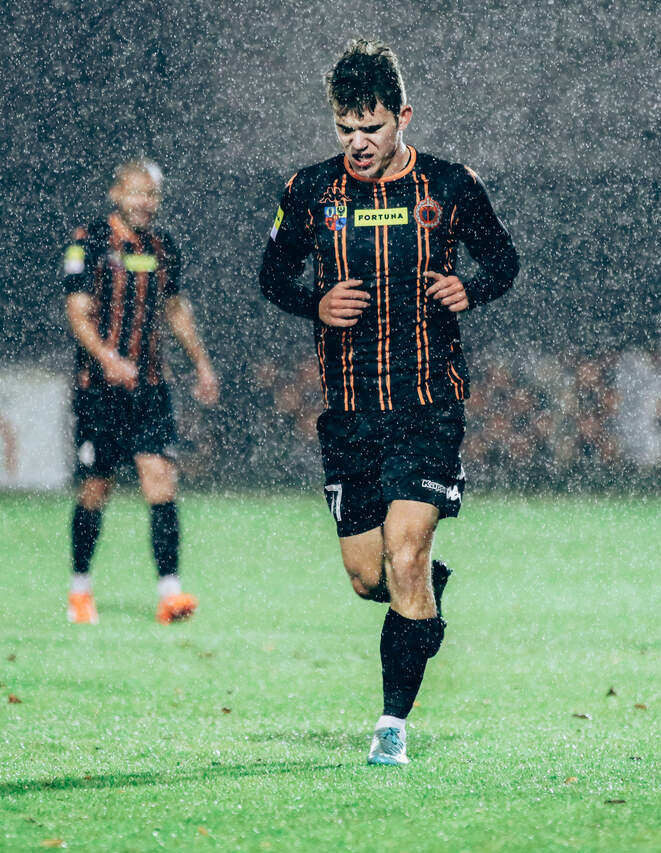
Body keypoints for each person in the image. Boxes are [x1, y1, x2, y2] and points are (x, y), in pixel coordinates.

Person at [259, 40, 519, 765]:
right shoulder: (309, 191)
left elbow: (504, 259)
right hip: (349, 413)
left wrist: (471, 287)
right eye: (345, 128)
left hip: (428, 405)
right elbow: (272, 276)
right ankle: (423, 596)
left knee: (405, 556)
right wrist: (315, 302)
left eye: (371, 127)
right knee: (368, 576)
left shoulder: (450, 186)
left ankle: (391, 727)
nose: (358, 142)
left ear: (403, 116)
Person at [62, 159, 220, 625]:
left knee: (160, 480)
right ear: (117, 194)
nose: (145, 203)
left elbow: (175, 308)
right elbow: (77, 314)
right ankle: (79, 588)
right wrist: (107, 358)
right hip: (99, 390)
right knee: (96, 487)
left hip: (150, 386)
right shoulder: (88, 241)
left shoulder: (162, 246)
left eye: (151, 195)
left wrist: (202, 363)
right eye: (136, 193)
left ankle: (170, 593)